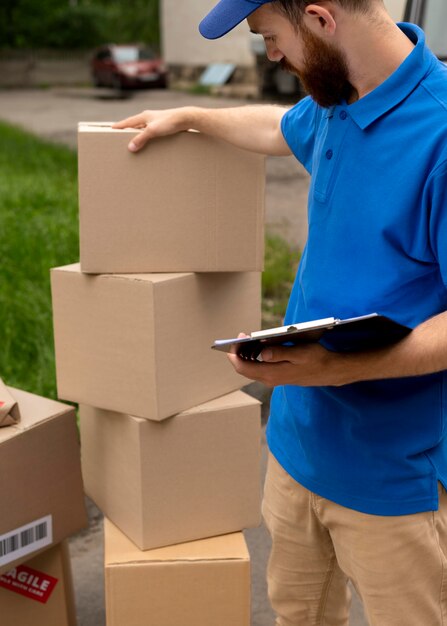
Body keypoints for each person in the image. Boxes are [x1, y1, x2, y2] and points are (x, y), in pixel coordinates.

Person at [113, 1, 447, 623]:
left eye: (271, 37)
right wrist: (189, 116)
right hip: (296, 449)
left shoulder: (439, 132)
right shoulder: (336, 97)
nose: (269, 55)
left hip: (392, 477)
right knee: (298, 613)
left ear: (321, 19)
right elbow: (278, 128)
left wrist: (344, 368)